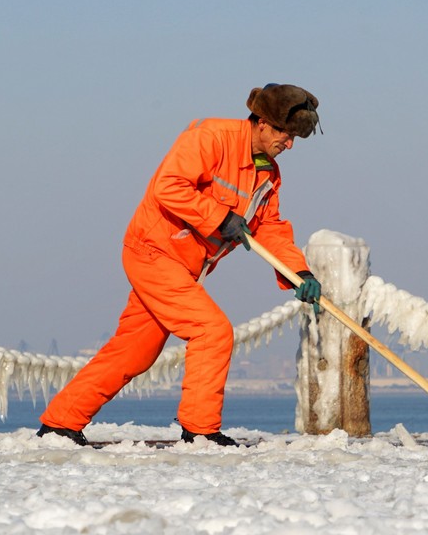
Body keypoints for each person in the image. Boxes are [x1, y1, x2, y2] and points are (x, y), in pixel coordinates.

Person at [37, 84, 324, 447]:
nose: (290, 144)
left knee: (134, 350)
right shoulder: (210, 138)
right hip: (153, 251)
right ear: (263, 123)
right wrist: (221, 218)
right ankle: (200, 431)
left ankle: (60, 424)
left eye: (296, 137)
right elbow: (168, 187)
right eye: (286, 134)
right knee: (212, 330)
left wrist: (299, 273)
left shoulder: (268, 174)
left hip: (185, 266)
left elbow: (270, 229)